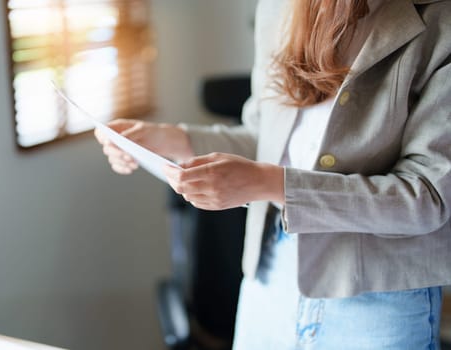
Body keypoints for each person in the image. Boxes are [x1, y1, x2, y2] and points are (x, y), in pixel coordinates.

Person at [95, 0, 451, 348]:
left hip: (377, 299)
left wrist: (270, 183)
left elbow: (426, 197)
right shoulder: (276, 9)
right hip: (270, 276)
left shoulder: (440, 23)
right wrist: (171, 139)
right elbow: (267, 140)